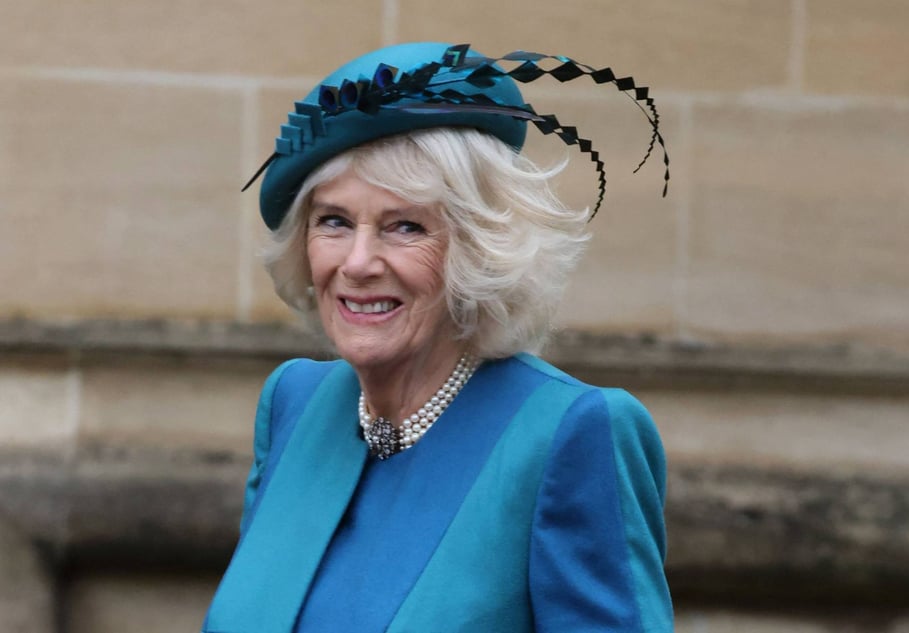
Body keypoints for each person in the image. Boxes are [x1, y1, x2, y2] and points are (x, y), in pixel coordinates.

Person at [204, 41, 673, 633]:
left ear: (478, 251)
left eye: (405, 226)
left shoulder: (571, 434)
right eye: (334, 222)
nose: (358, 262)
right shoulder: (294, 404)